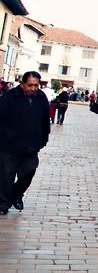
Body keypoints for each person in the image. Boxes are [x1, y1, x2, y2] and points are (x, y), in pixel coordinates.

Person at [0, 71, 51, 215]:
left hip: (31, 145)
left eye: (36, 85)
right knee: (6, 176)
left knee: (29, 172)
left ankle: (16, 194)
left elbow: (45, 120)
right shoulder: (10, 97)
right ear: (22, 84)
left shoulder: (41, 97)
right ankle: (3, 204)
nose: (33, 88)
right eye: (30, 85)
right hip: (9, 146)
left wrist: (44, 139)